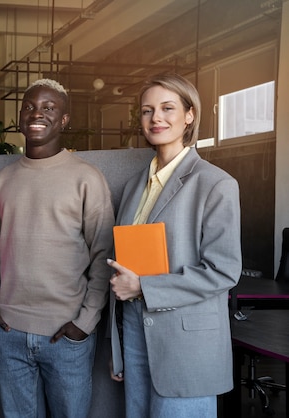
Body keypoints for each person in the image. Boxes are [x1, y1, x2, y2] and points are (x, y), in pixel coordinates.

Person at [0, 78, 115, 418]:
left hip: (66, 335)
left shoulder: (87, 178)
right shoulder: (3, 180)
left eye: (49, 108)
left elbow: (103, 255)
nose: (37, 113)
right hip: (8, 332)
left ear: (64, 120)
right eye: (29, 107)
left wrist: (86, 320)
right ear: (21, 117)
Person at [108, 72, 241, 417]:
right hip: (136, 330)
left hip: (185, 341)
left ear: (190, 114)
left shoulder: (215, 184)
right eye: (147, 111)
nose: (156, 118)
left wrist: (143, 286)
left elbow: (223, 271)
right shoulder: (135, 185)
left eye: (168, 108)